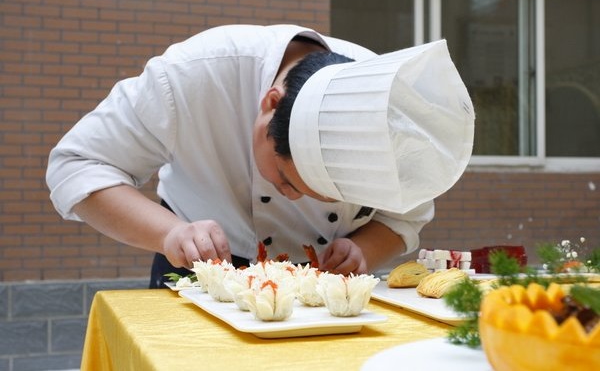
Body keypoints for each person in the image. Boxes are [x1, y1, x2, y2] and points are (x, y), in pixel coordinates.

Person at [46, 24, 474, 288]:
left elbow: (405, 215)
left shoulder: (385, 103)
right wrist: (169, 234)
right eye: (285, 179)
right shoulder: (198, 72)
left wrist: (364, 250)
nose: (292, 198)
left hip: (325, 284)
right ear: (270, 103)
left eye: (323, 195)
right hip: (202, 267)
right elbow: (77, 166)